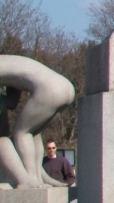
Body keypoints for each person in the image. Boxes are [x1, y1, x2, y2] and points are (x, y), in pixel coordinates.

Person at [0, 57, 75, 190]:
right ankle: (38, 179)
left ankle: (29, 180)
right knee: (33, 133)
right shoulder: (6, 61)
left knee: (21, 133)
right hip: (66, 87)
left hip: (50, 90)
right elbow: (12, 102)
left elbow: (10, 104)